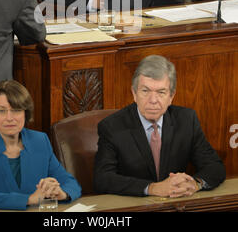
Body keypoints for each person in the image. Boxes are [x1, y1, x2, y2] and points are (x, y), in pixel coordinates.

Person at [94, 55, 226, 197]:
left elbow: (215, 167)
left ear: (171, 96)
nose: (153, 100)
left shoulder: (186, 120)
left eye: (161, 92)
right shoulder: (111, 127)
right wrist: (152, 188)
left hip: (176, 204)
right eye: (145, 91)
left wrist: (195, 184)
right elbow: (102, 179)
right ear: (134, 93)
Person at [0, 80, 81, 212]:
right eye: (2, 111)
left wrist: (61, 193)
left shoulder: (40, 140)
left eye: (16, 110)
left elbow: (70, 182)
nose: (9, 118)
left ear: (26, 113)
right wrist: (30, 199)